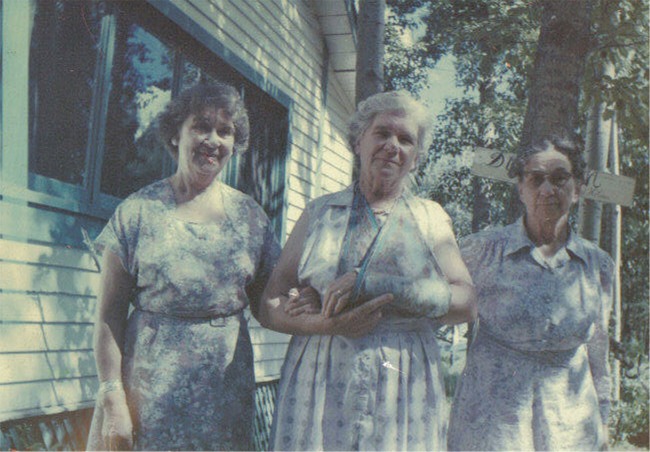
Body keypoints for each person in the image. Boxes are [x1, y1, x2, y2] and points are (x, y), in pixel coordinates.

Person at [258, 90, 477, 451]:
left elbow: (466, 301)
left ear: (416, 157)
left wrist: (377, 286)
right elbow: (270, 304)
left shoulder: (430, 217)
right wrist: (323, 320)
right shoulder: (320, 213)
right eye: (382, 133)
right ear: (359, 140)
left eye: (406, 139)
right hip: (322, 376)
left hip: (402, 383)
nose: (393, 146)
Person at [86, 82, 280, 451]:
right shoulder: (138, 212)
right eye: (201, 126)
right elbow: (109, 315)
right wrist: (113, 399)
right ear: (176, 133)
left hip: (223, 396)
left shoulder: (250, 218)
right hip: (147, 393)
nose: (213, 139)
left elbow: (273, 302)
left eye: (225, 131)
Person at [447, 135, 614, 450]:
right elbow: (432, 307)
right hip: (493, 423)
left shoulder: (598, 265)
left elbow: (598, 349)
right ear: (520, 188)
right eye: (536, 179)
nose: (547, 190)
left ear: (577, 189)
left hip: (571, 424)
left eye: (560, 178)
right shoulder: (480, 251)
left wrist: (603, 418)